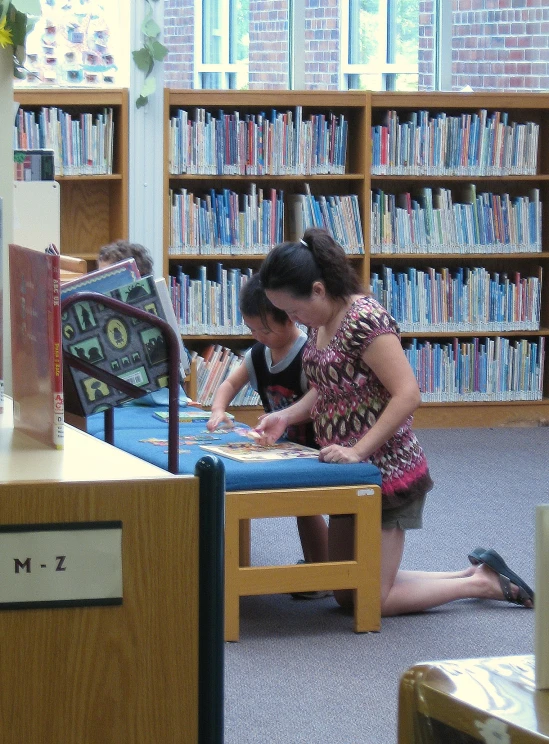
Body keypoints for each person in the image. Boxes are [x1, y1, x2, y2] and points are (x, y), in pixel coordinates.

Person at [255, 227, 534, 615]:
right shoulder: (320, 321)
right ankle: (474, 577)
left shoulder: (365, 320)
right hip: (347, 475)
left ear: (318, 289)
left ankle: (483, 585)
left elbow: (408, 394)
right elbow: (327, 387)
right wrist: (285, 415)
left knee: (371, 600)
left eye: (292, 310)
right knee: (345, 589)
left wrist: (358, 450)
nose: (291, 320)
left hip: (387, 472)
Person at [207, 273, 329, 574]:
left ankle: (323, 568)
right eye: (251, 329)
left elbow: (321, 394)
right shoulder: (257, 354)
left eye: (265, 330)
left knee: (307, 507)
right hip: (282, 445)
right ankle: (319, 566)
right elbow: (228, 385)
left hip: (315, 447)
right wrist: (218, 410)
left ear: (290, 318)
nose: (259, 336)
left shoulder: (306, 354)